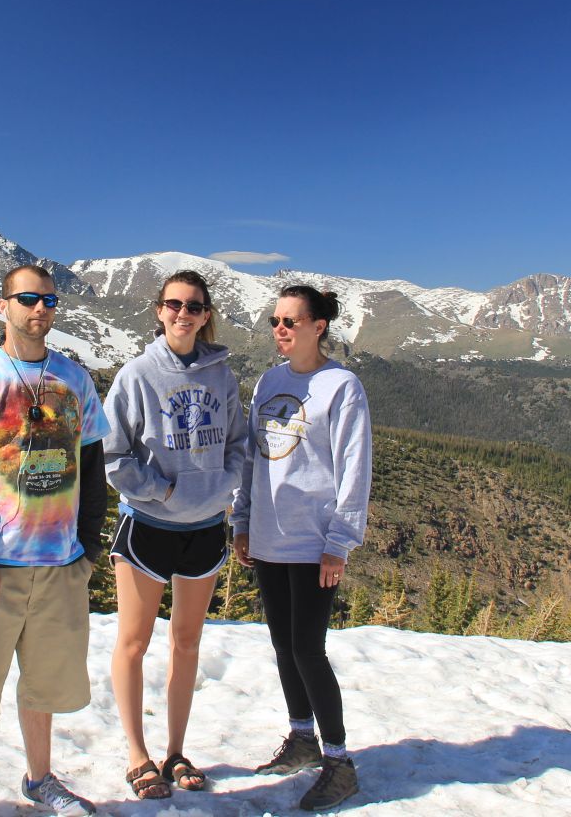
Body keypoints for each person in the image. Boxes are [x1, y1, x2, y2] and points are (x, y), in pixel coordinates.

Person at [0, 264, 109, 817]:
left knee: (44, 682)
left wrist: (85, 548)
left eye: (49, 301)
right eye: (29, 299)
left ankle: (41, 779)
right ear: (4, 305)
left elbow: (91, 464)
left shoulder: (74, 381)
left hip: (60, 563)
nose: (40, 310)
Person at [102, 270, 249, 800]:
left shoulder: (222, 375)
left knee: (187, 643)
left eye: (193, 306)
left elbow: (238, 440)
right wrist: (162, 492)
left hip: (206, 527)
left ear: (206, 315)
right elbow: (113, 455)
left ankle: (176, 751)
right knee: (134, 642)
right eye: (173, 304)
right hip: (148, 525)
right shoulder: (137, 374)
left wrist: (223, 485)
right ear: (158, 311)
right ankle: (138, 754)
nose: (182, 313)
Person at [231, 285, 372, 812]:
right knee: (284, 645)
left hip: (314, 541)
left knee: (309, 649)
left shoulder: (342, 386)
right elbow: (251, 457)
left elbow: (355, 470)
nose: (280, 330)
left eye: (291, 321)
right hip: (269, 536)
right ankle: (302, 740)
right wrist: (242, 520)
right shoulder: (269, 380)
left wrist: (340, 542)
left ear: (319, 326)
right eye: (275, 321)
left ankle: (339, 762)